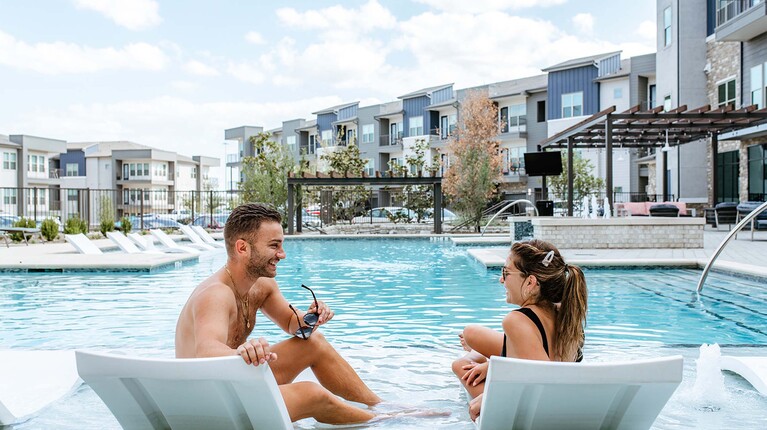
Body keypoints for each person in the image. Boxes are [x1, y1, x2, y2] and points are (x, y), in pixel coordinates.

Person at [175, 203, 381, 425]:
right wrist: (244, 350)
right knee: (312, 394)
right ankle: (389, 423)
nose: (282, 255)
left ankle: (379, 406)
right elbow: (205, 351)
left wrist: (313, 316)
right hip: (207, 400)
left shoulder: (262, 284)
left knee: (314, 342)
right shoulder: (216, 294)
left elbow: (293, 322)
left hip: (234, 381)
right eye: (274, 246)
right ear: (242, 248)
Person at [451, 239, 588, 422]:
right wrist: (493, 365)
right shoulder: (567, 313)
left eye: (505, 273)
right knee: (469, 353)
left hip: (534, 415)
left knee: (461, 365)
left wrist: (490, 397)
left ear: (530, 282)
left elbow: (547, 383)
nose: (501, 280)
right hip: (567, 402)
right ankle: (484, 356)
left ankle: (480, 355)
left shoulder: (517, 320)